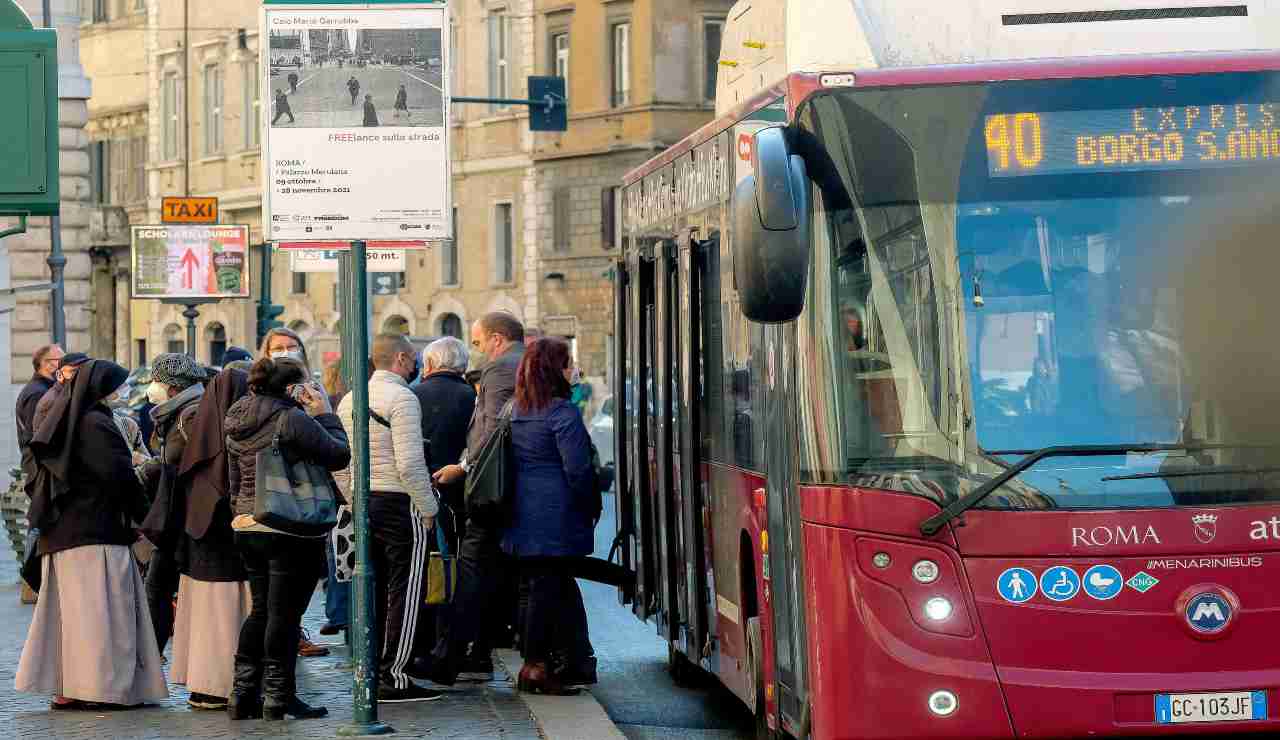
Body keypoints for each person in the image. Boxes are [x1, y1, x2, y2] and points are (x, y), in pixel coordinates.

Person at [17, 360, 168, 710]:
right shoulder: (97, 423)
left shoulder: (66, 418)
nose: (120, 393)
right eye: (116, 386)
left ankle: (70, 687)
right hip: (97, 533)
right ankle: (103, 690)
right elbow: (121, 479)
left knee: (71, 620)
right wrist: (148, 519)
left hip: (64, 535)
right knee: (102, 618)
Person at [225, 357, 350, 721]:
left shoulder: (237, 416)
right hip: (288, 525)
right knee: (285, 614)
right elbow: (339, 454)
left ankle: (243, 695)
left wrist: (240, 510)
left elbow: (233, 476)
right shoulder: (290, 418)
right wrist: (325, 413)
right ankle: (279, 697)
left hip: (247, 523)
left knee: (261, 610)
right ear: (293, 387)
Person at [336, 334, 441, 703]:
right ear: (399, 359)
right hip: (399, 502)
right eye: (412, 359)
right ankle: (394, 674)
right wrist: (429, 508)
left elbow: (340, 459)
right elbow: (411, 464)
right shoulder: (403, 398)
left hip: (363, 500)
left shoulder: (350, 399)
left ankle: (373, 666)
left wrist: (351, 498)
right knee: (406, 589)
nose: (415, 366)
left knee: (374, 588)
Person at [431, 312, 526, 684]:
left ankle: (448, 659)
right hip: (513, 490)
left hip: (491, 490)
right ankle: (470, 654)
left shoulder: (501, 368)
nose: (478, 350)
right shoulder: (524, 362)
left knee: (470, 572)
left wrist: (462, 467)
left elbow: (492, 430)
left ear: (497, 339)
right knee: (495, 575)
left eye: (479, 341)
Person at [505, 338, 597, 694]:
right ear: (554, 370)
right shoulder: (562, 412)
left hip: (521, 515)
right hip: (555, 516)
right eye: (568, 363)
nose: (573, 370)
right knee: (548, 590)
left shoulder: (515, 409)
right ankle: (537, 667)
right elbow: (578, 470)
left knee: (539, 589)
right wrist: (589, 504)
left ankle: (547, 663)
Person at [169, 368, 252, 712]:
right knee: (227, 617)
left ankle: (202, 685)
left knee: (205, 619)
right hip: (229, 542)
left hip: (199, 540)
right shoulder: (239, 434)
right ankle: (224, 684)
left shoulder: (195, 433)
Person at [257, 327, 329, 658]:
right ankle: (277, 684)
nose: (286, 352)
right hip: (285, 502)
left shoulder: (313, 390)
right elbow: (336, 451)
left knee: (278, 599)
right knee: (279, 598)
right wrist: (324, 417)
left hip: (300, 499)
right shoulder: (274, 406)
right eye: (278, 348)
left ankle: (266, 680)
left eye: (292, 347)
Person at [409, 338, 475, 668]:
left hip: (420, 496)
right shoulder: (470, 397)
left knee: (421, 571)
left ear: (430, 364)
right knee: (457, 570)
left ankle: (422, 645)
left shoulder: (414, 396)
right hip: (459, 496)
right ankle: (452, 645)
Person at [138, 353, 208, 660]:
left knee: (159, 586)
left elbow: (185, 462)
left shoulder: (190, 415)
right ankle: (152, 656)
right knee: (158, 585)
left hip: (184, 514)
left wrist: (149, 468)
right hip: (176, 512)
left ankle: (151, 657)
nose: (152, 387)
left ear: (173, 388)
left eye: (157, 381)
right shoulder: (178, 411)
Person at [319, 361, 351, 637]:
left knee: (337, 555)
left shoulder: (329, 404)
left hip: (334, 491)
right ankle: (340, 611)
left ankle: (337, 611)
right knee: (342, 552)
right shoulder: (336, 405)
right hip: (343, 490)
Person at [16, 344, 63, 495]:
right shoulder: (38, 393)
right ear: (46, 364)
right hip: (40, 468)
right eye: (61, 360)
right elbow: (37, 436)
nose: (65, 366)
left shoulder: (42, 389)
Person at [32, 353, 90, 433]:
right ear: (59, 375)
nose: (80, 375)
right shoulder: (54, 401)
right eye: (73, 371)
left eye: (84, 371)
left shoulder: (72, 394)